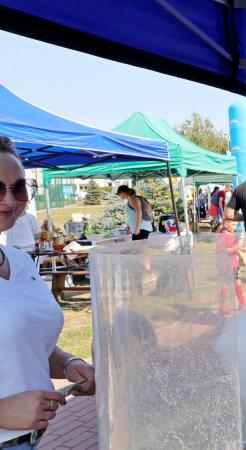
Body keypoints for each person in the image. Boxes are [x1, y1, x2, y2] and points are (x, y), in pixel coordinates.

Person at [0, 136, 96, 449]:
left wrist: (68, 364)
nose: (9, 201)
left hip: (30, 440)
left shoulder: (17, 260)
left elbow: (23, 343)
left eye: (18, 188)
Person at [217, 219, 246, 314]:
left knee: (236, 282)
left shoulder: (229, 235)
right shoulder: (223, 235)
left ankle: (241, 302)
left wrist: (239, 249)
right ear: (226, 224)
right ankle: (224, 306)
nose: (235, 227)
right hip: (228, 264)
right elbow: (225, 250)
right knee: (228, 283)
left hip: (232, 263)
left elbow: (232, 250)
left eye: (236, 225)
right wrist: (238, 245)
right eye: (233, 224)